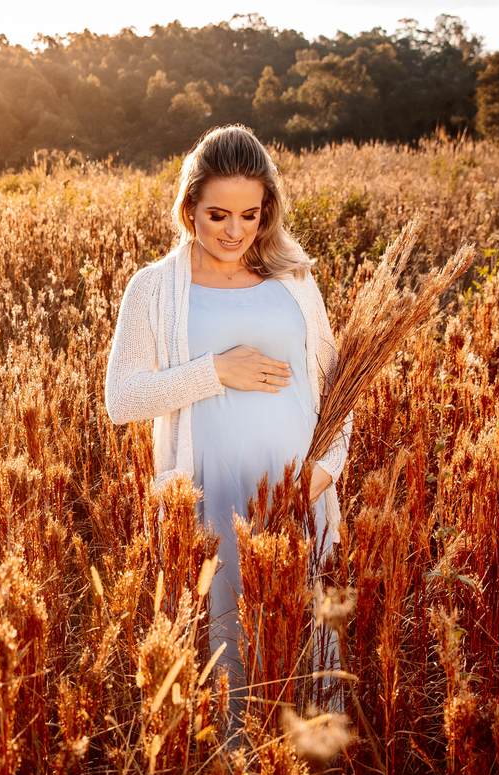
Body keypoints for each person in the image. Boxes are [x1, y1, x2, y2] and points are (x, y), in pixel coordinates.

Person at [103, 124, 352, 710]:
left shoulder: (294, 278)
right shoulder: (153, 290)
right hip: (211, 501)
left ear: (267, 211)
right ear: (189, 208)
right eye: (218, 216)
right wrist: (215, 370)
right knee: (225, 652)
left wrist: (329, 467)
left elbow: (341, 380)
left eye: (250, 215)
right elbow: (122, 399)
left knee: (306, 646)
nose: (235, 232)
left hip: (297, 493)